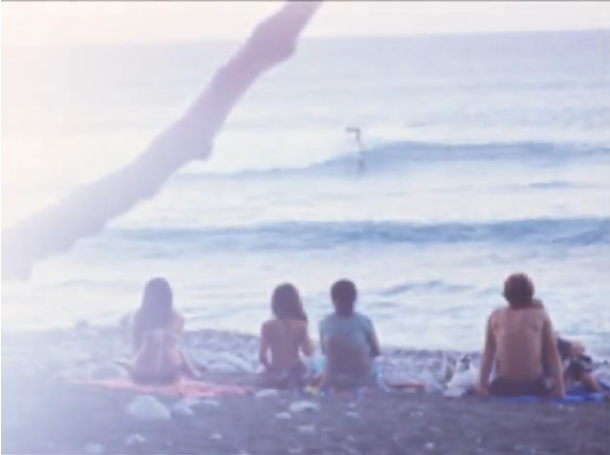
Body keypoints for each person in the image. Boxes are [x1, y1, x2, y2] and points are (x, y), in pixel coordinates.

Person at [478, 273, 565, 398]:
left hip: (504, 386)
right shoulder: (540, 315)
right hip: (534, 386)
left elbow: (487, 355)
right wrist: (559, 387)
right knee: (572, 363)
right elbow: (552, 354)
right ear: (531, 293)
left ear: (506, 295)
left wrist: (483, 386)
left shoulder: (495, 316)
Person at [122, 277, 198, 385]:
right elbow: (171, 344)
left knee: (151, 344)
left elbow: (136, 345)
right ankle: (194, 375)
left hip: (142, 368)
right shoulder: (176, 316)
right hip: (169, 369)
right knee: (174, 348)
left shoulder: (139, 315)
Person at [319, 279, 381, 390]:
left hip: (332, 380)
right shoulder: (364, 321)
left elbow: (325, 352)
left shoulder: (324, 323)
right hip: (362, 379)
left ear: (333, 300)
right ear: (354, 299)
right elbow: (376, 352)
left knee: (320, 362)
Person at [259, 283, 314, 388]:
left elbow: (262, 357)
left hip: (276, 370)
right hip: (295, 371)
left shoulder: (267, 326)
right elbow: (308, 352)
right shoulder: (300, 325)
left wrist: (270, 369)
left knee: (265, 376)